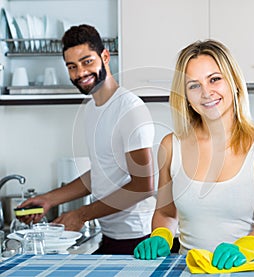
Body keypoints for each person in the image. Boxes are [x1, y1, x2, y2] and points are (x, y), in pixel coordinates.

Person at [133, 39, 254, 269]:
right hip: (191, 270)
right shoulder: (170, 146)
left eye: (214, 79)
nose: (206, 93)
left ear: (234, 82)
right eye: (194, 85)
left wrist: (244, 248)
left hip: (251, 269)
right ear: (185, 95)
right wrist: (161, 235)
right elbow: (166, 213)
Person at [18, 24, 156, 254]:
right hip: (111, 236)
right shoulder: (92, 108)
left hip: (139, 238)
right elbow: (102, 173)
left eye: (87, 61)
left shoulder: (130, 109)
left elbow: (143, 186)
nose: (80, 73)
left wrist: (81, 214)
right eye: (72, 66)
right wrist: (49, 199)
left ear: (105, 56)